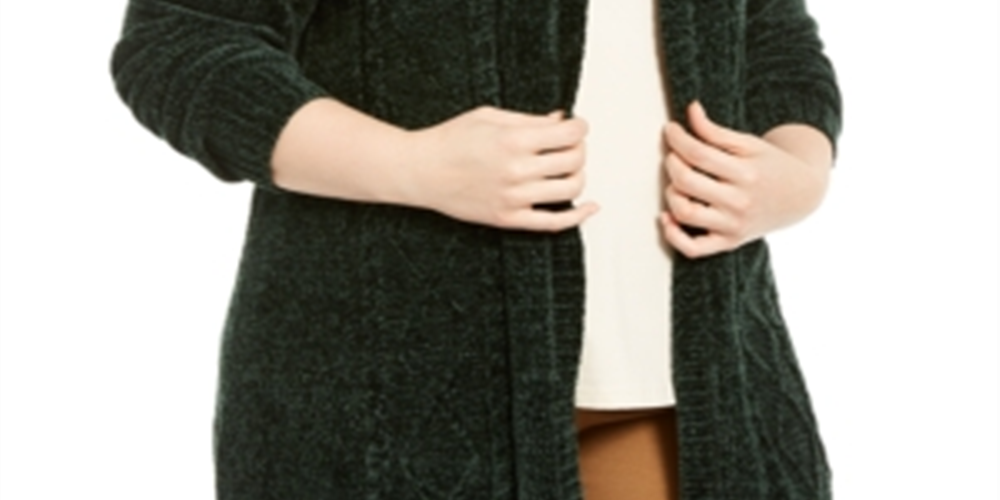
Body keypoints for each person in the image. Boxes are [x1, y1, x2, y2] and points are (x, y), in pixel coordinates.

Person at [111, 0, 841, 498]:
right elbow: (183, 40)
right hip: (389, 402)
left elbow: (774, 39)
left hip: (697, 392)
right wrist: (409, 164)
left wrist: (799, 174)